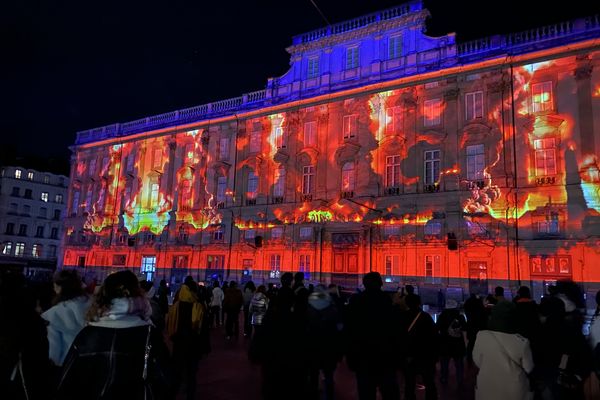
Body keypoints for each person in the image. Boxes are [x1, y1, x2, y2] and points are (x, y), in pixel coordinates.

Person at [55, 270, 167, 399]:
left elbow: (67, 382)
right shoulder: (149, 335)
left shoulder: (87, 334)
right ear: (138, 293)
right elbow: (166, 379)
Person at [345, 272, 400, 400]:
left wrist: (351, 357)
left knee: (366, 393)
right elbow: (396, 331)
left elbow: (350, 330)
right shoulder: (388, 301)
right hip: (385, 357)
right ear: (380, 284)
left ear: (364, 285)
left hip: (363, 357)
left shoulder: (356, 301)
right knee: (389, 393)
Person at [472, 300, 534, 400]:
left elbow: (477, 360)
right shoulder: (522, 341)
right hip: (513, 389)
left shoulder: (482, 335)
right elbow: (528, 368)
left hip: (487, 385)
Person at [167, 275, 210, 400]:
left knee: (177, 370)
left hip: (179, 342)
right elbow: (203, 329)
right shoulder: (198, 306)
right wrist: (205, 347)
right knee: (192, 373)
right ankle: (190, 394)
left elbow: (170, 324)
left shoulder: (176, 306)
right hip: (193, 343)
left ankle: (173, 393)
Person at [41, 270, 90, 368]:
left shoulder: (52, 315)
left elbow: (53, 350)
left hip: (66, 366)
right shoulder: (93, 308)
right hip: (91, 364)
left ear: (59, 287)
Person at [306, 285, 342, 400]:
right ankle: (329, 394)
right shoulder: (332, 310)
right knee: (329, 375)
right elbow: (339, 329)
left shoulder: (309, 310)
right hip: (328, 348)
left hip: (313, 347)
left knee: (313, 374)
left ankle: (313, 393)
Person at [402, 293, 438, 400]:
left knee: (409, 383)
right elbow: (434, 336)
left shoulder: (402, 316)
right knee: (429, 382)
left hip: (409, 355)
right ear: (419, 303)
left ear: (407, 303)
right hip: (425, 355)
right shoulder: (426, 317)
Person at [436, 299, 466, 386]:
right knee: (459, 364)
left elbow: (437, 328)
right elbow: (464, 328)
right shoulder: (460, 316)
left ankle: (444, 378)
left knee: (444, 364)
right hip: (458, 344)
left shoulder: (442, 316)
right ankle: (460, 381)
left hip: (444, 343)